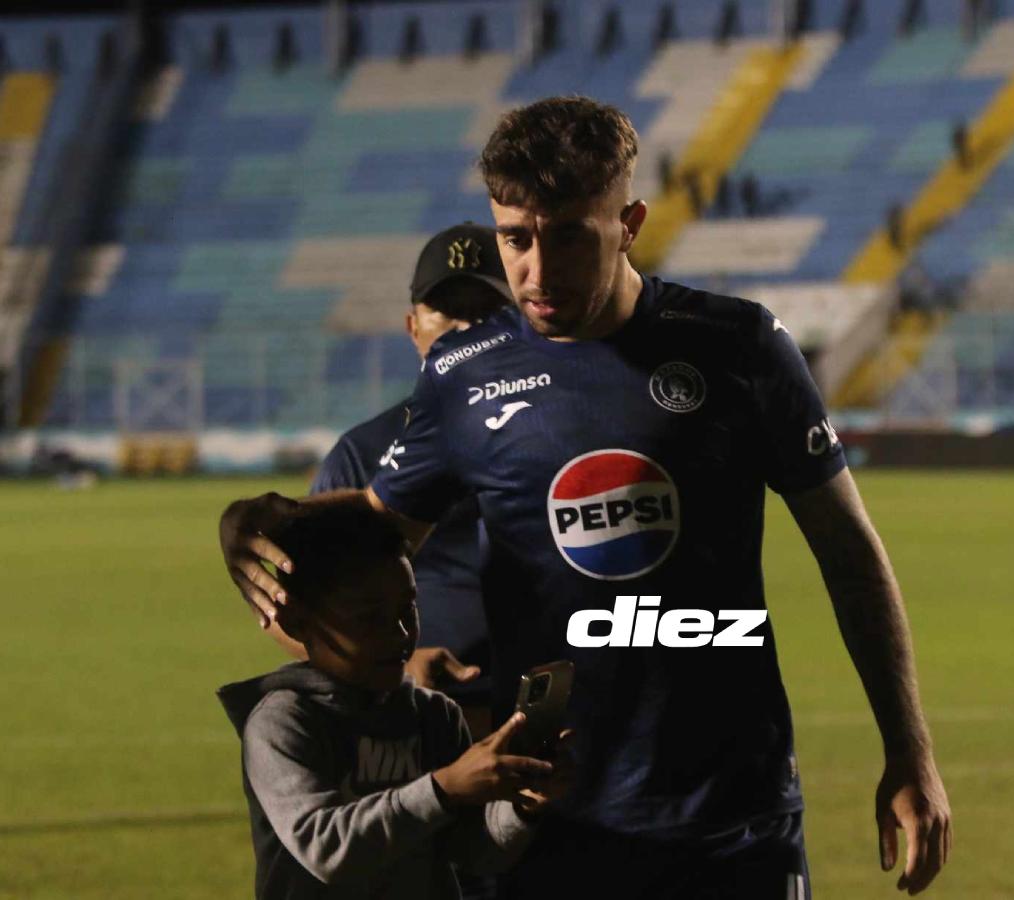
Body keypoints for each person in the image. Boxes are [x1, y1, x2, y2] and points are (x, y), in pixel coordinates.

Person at [221, 96, 951, 898]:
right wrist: (255, 526)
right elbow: (371, 534)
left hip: (733, 820)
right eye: (515, 238)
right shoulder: (466, 374)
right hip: (546, 818)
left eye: (568, 234)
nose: (536, 269)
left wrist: (909, 751)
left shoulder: (740, 348)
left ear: (628, 221)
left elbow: (849, 555)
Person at [217, 503, 571, 899]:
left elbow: (475, 852)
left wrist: (522, 805)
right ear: (297, 622)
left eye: (409, 608)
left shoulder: (433, 714)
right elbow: (327, 848)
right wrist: (444, 789)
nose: (400, 633)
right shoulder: (283, 721)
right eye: (370, 619)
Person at [308, 222, 512, 738]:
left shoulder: (563, 433)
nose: (465, 329)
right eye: (445, 313)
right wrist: (400, 667)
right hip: (419, 732)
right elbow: (308, 611)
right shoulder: (361, 453)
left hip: (554, 719)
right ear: (412, 326)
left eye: (485, 314)